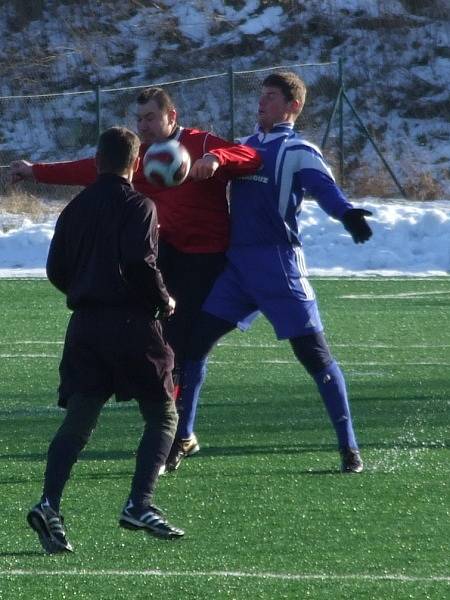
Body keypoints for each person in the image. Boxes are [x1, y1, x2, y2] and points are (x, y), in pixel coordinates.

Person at [10, 87, 261, 465]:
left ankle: (176, 434)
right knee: (167, 347)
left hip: (204, 260)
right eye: (139, 119)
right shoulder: (139, 157)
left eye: (150, 118)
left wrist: (215, 158)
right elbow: (88, 169)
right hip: (165, 257)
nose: (143, 126)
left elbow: (252, 157)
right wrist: (36, 172)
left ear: (171, 116)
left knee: (184, 348)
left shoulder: (199, 141)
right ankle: (177, 430)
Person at [165, 71, 373, 474]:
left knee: (315, 356)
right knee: (192, 349)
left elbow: (324, 189)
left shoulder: (299, 150)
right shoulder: (241, 147)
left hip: (279, 269)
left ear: (293, 106)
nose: (262, 103)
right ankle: (181, 439)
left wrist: (346, 213)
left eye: (272, 97)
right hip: (238, 269)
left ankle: (349, 446)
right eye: (261, 96)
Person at [27, 126, 184, 555]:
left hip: (84, 326)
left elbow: (56, 270)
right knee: (163, 415)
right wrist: (163, 298)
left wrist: (86, 290)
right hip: (132, 326)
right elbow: (140, 261)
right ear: (136, 164)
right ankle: (139, 502)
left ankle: (49, 504)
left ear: (96, 162)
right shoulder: (140, 205)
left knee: (79, 420)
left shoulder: (74, 210)